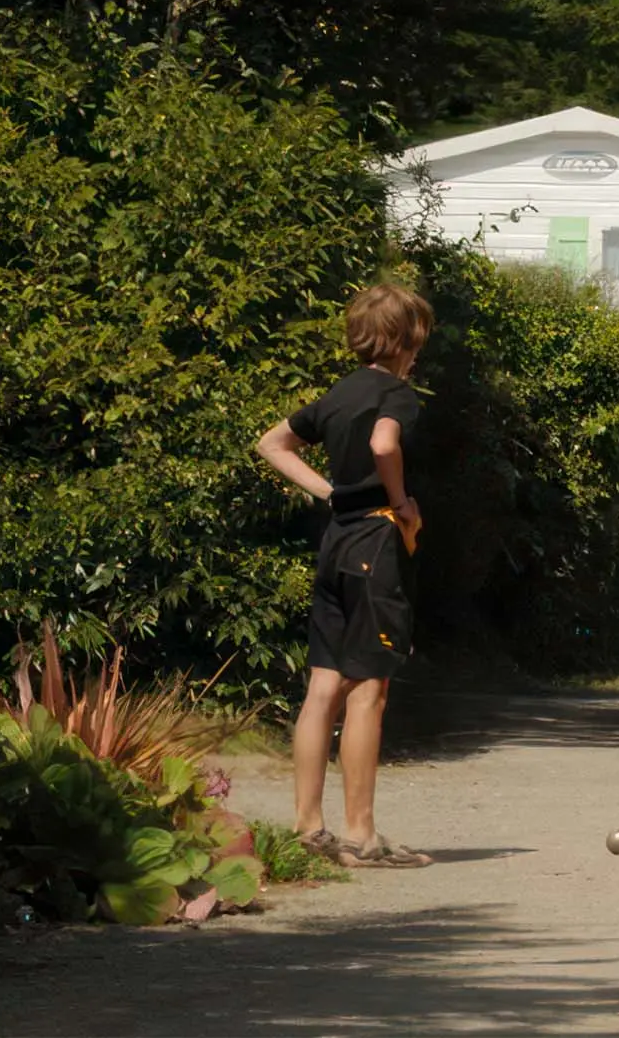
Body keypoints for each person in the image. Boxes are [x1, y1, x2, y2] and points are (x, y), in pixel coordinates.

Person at [255, 283, 435, 869]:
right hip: (375, 547)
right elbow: (385, 443)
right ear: (406, 341)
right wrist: (401, 500)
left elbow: (272, 444)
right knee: (369, 691)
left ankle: (309, 828)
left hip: (334, 544)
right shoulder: (397, 394)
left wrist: (330, 492)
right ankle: (361, 835)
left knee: (323, 686)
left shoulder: (337, 394)